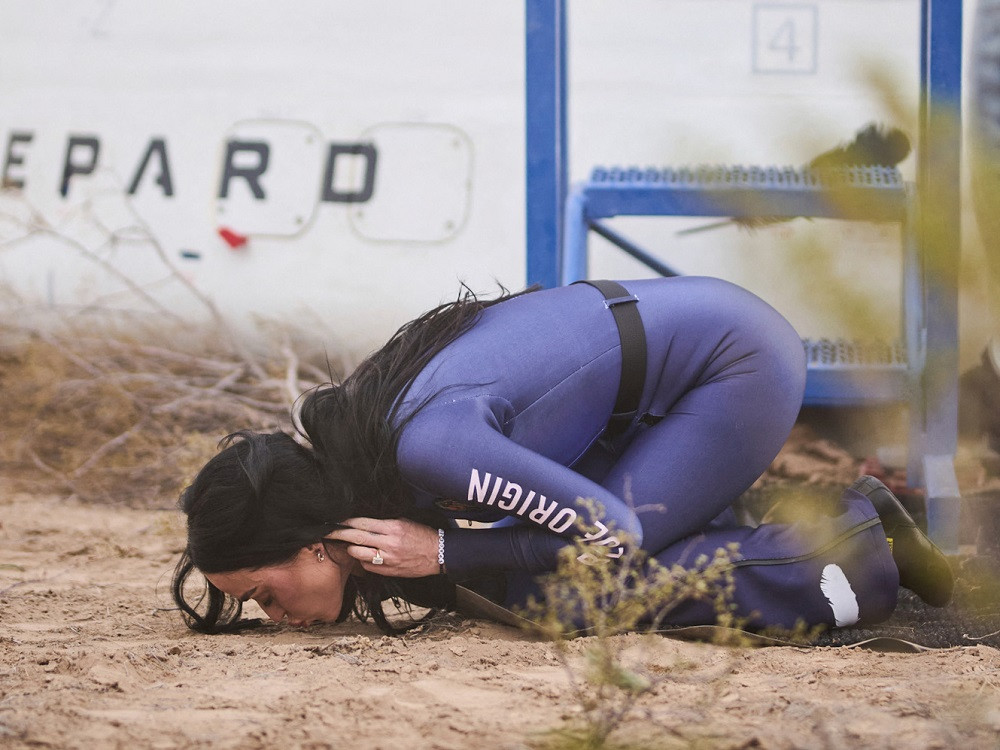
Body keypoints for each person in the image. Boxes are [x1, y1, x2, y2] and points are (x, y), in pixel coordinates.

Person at [171, 276, 954, 635]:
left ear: (312, 542)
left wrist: (443, 552)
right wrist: (449, 558)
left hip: (734, 369)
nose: (273, 617)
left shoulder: (425, 447)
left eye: (263, 594)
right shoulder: (374, 449)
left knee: (574, 597)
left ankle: (854, 553)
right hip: (663, 375)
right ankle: (816, 519)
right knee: (521, 570)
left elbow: (612, 532)